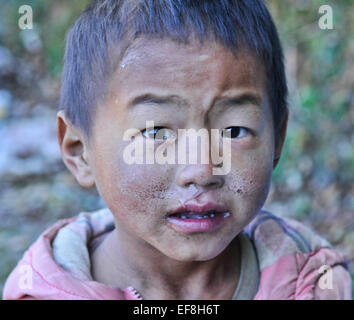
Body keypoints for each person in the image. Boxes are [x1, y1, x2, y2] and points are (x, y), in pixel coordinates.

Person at [3, 0, 351, 300]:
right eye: (157, 131)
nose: (202, 170)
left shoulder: (313, 283)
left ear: (277, 138)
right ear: (79, 151)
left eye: (234, 130)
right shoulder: (39, 292)